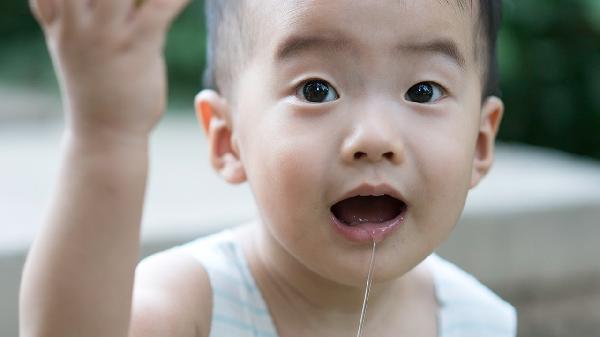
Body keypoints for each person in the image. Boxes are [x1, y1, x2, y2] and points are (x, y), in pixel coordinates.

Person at [20, 0, 517, 336]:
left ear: (478, 143)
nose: (374, 138)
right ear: (227, 138)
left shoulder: (481, 322)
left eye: (422, 91)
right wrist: (105, 136)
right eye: (316, 89)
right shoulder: (189, 308)